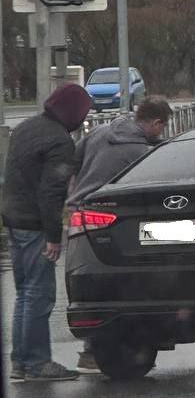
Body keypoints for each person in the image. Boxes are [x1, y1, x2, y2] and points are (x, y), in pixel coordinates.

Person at [69, 95, 173, 372]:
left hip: (79, 212)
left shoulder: (100, 132)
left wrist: (74, 195)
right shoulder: (141, 153)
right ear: (154, 122)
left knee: (89, 282)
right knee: (122, 284)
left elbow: (72, 162)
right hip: (112, 217)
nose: (160, 133)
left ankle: (91, 350)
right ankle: (106, 347)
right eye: (161, 128)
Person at [2, 82, 91, 381]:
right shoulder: (59, 142)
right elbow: (51, 193)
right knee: (39, 295)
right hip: (35, 224)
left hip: (14, 219)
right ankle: (38, 363)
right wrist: (54, 236)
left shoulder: (27, 127)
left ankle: (21, 361)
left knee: (25, 294)